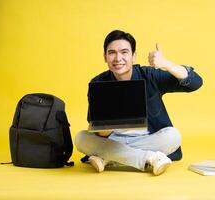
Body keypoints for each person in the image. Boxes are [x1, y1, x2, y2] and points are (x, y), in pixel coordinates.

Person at [75, 30, 203, 175]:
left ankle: (109, 158)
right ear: (105, 57)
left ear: (133, 56)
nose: (118, 58)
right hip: (113, 140)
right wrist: (106, 127)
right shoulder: (98, 83)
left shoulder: (149, 75)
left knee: (173, 136)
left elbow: (195, 83)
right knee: (81, 138)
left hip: (149, 139)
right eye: (112, 53)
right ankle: (149, 158)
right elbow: (98, 131)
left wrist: (165, 63)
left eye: (124, 52)